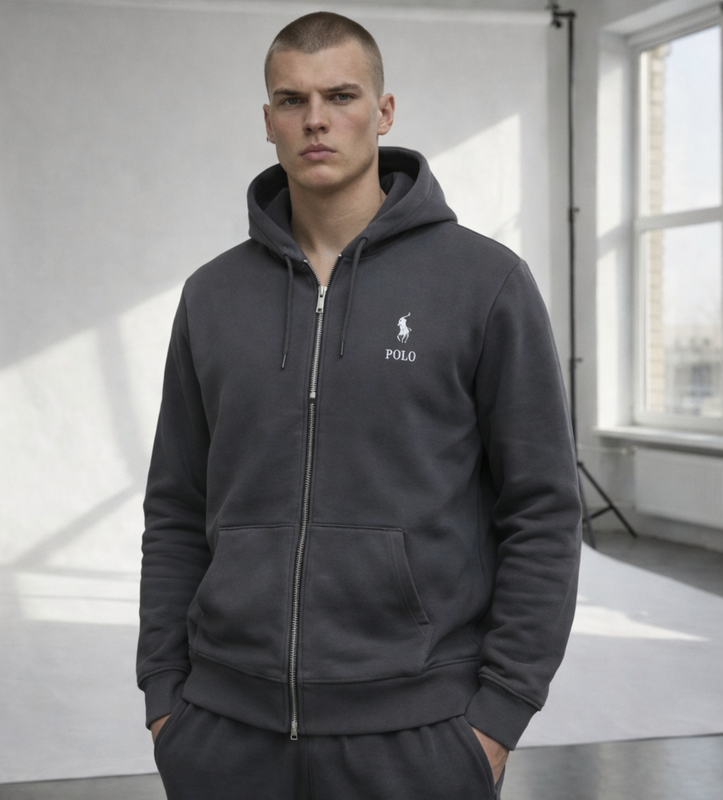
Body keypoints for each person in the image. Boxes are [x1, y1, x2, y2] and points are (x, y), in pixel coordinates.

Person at [137, 11, 581, 799]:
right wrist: (165, 696)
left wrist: (497, 718)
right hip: (222, 732)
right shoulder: (211, 296)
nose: (315, 119)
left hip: (418, 736)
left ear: (383, 111)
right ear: (268, 120)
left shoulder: (484, 284)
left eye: (340, 95)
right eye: (292, 99)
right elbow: (176, 504)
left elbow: (542, 508)